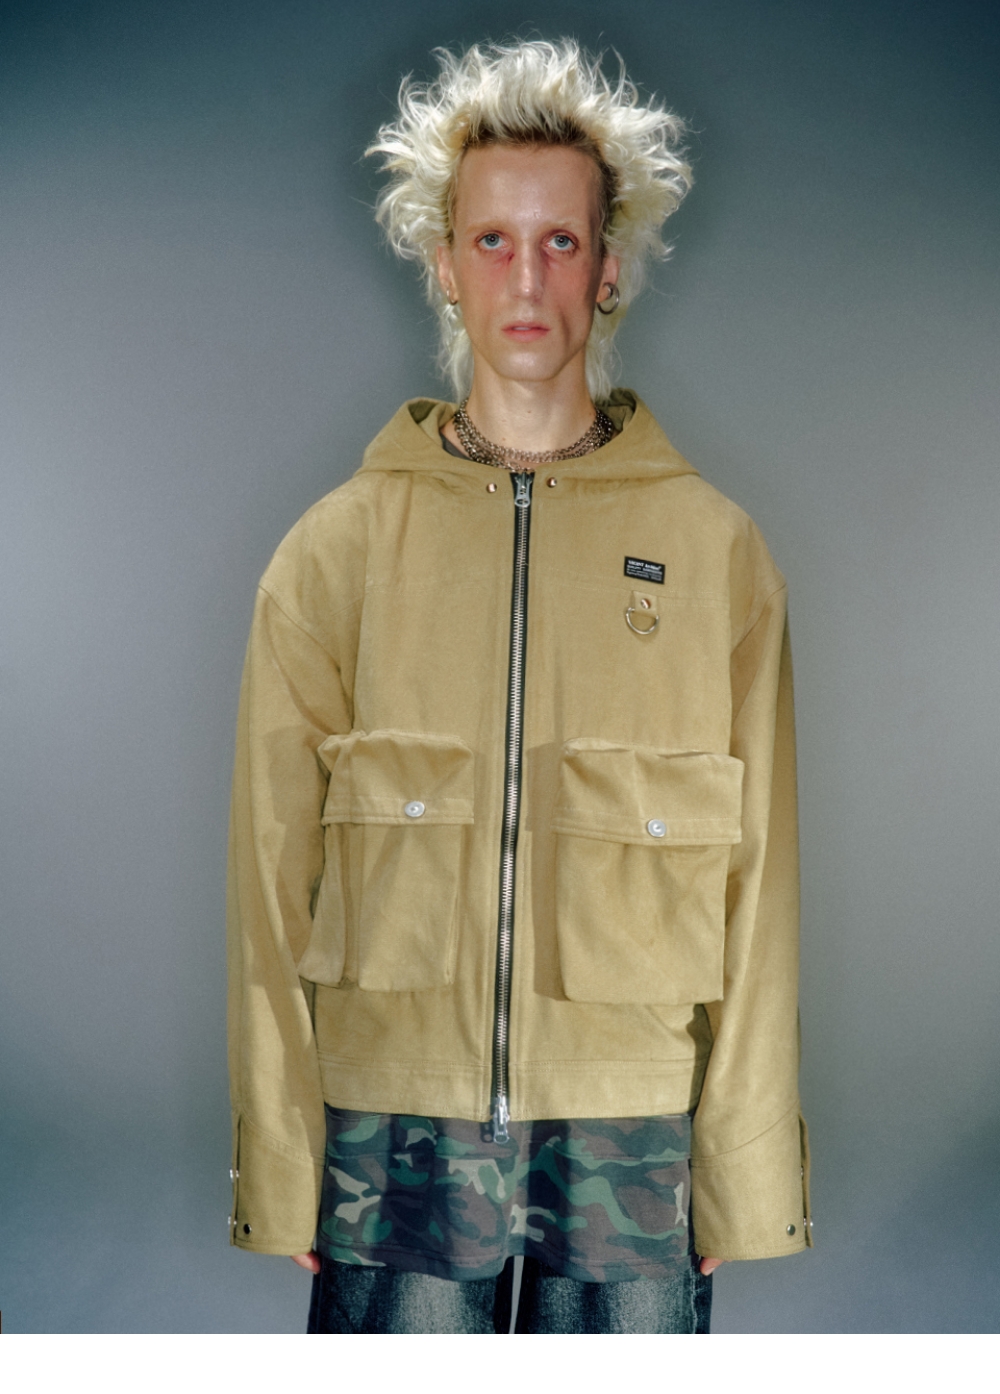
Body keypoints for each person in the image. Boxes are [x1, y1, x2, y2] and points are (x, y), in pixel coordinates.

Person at [226, 39, 811, 1335]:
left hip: (635, 1140)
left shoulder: (716, 553)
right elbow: (268, 883)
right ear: (442, 260)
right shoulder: (334, 553)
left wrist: (740, 1173)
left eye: (560, 242)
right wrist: (283, 1157)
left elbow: (762, 892)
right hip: (394, 1140)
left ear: (609, 268)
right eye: (493, 241)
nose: (527, 278)